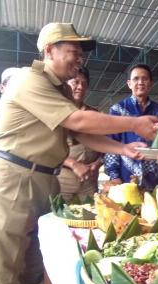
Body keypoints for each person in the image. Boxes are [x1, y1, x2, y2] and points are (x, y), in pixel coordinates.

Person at [0, 22, 158, 284]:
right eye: (73, 51)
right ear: (50, 50)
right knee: (2, 276)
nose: (79, 59)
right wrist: (135, 123)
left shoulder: (57, 89)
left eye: (80, 54)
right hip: (10, 182)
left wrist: (124, 149)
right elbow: (77, 118)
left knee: (35, 274)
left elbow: (78, 131)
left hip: (43, 183)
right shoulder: (28, 80)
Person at [103, 64, 158, 191]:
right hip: (125, 177)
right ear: (129, 83)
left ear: (150, 83)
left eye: (145, 79)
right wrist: (114, 176)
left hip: (154, 177)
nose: (140, 82)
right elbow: (111, 145)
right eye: (136, 79)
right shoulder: (118, 109)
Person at [58, 66, 102, 202]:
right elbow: (46, 148)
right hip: (63, 177)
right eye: (75, 82)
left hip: (89, 178)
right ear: (66, 84)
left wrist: (98, 163)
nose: (80, 87)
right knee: (60, 216)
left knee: (90, 218)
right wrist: (73, 164)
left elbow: (104, 145)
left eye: (84, 84)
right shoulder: (57, 111)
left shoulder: (94, 114)